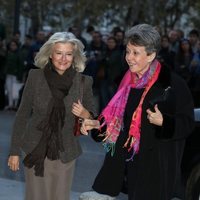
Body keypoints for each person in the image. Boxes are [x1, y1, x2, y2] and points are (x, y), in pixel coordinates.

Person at [79, 24, 195, 200]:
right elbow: (118, 126)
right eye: (127, 52)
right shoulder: (127, 83)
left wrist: (165, 123)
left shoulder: (173, 84)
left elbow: (187, 124)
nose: (129, 58)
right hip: (132, 172)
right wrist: (94, 121)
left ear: (151, 55)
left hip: (157, 175)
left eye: (135, 53)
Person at [7, 32, 96, 200]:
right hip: (35, 149)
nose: (63, 58)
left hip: (65, 152)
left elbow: (93, 116)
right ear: (50, 54)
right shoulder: (35, 77)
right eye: (59, 53)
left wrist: (85, 113)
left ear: (74, 56)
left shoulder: (84, 82)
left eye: (68, 54)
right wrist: (14, 151)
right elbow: (22, 115)